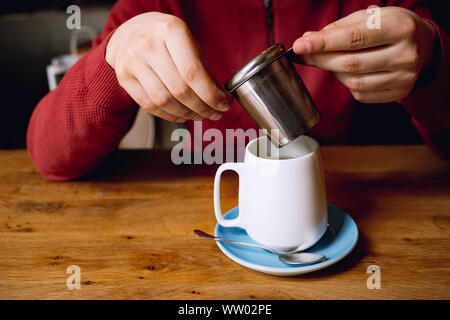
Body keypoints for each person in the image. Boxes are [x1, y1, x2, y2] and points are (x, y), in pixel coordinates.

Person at [27, 0, 449, 181]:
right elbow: (49, 157)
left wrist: (432, 64)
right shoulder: (153, 4)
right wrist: (112, 58)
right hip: (206, 181)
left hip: (340, 190)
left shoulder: (380, 10)